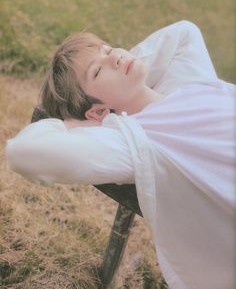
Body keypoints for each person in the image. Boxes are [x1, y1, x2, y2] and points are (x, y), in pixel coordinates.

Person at [5, 21, 236, 289]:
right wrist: (84, 122)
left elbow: (184, 32)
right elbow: (23, 152)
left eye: (107, 49)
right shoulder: (136, 142)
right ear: (97, 112)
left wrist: (114, 78)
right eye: (97, 70)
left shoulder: (188, 82)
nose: (115, 56)